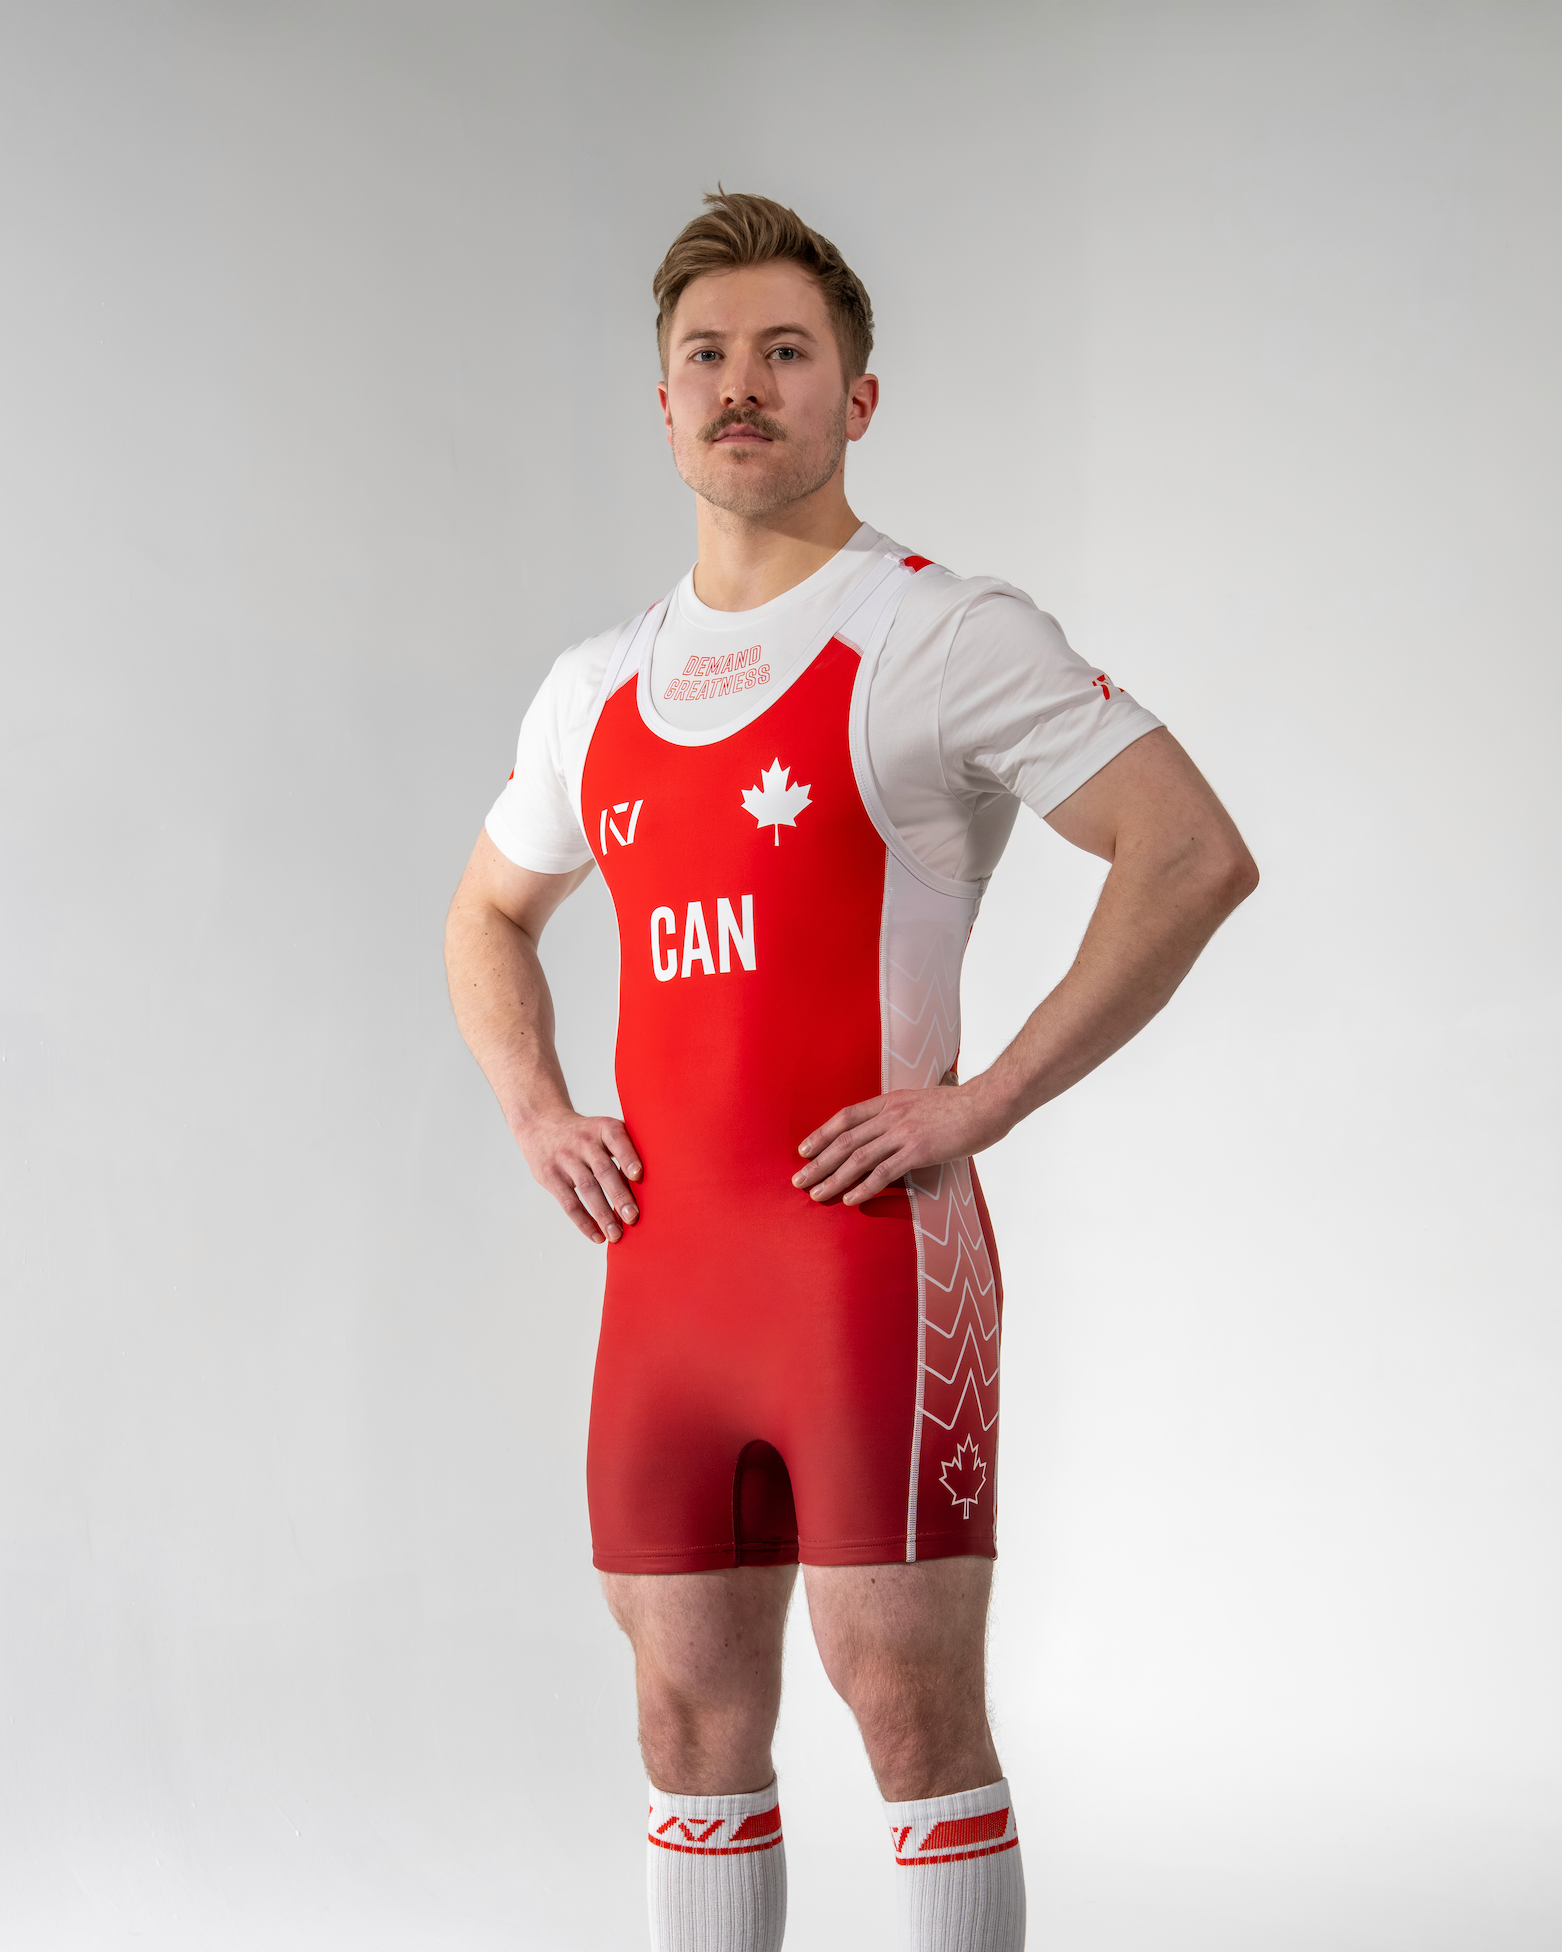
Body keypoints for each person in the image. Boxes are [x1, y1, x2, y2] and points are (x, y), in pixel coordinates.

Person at [444, 191, 1258, 1952]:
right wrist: (537, 1110)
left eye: (785, 353)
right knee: (684, 1728)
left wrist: (985, 1099)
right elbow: (487, 914)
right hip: (663, 1298)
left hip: (866, 1276)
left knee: (904, 1711)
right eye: (707, 356)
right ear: (663, 402)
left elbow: (1189, 852)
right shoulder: (593, 688)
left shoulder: (937, 633)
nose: (742, 385)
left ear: (856, 397)